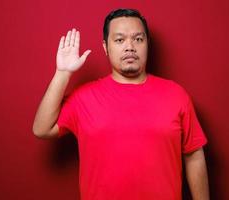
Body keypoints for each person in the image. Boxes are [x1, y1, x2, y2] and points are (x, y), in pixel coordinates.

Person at [33, 8, 210, 200]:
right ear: (105, 46)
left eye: (138, 39)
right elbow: (42, 129)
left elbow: (194, 156)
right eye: (119, 40)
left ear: (147, 44)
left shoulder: (176, 94)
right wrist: (63, 73)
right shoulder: (84, 97)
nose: (130, 47)